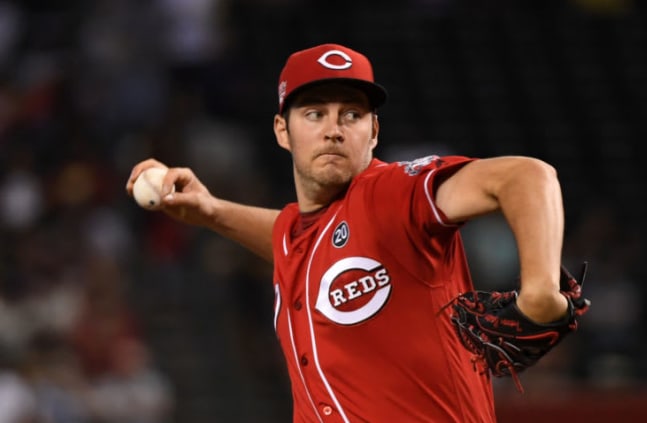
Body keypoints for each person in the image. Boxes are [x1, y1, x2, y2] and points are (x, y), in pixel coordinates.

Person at [126, 43, 572, 423]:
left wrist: (539, 291)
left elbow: (527, 176)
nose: (334, 130)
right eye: (315, 113)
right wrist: (211, 211)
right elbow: (291, 238)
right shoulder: (300, 235)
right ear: (283, 131)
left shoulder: (393, 195)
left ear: (374, 131)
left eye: (352, 114)